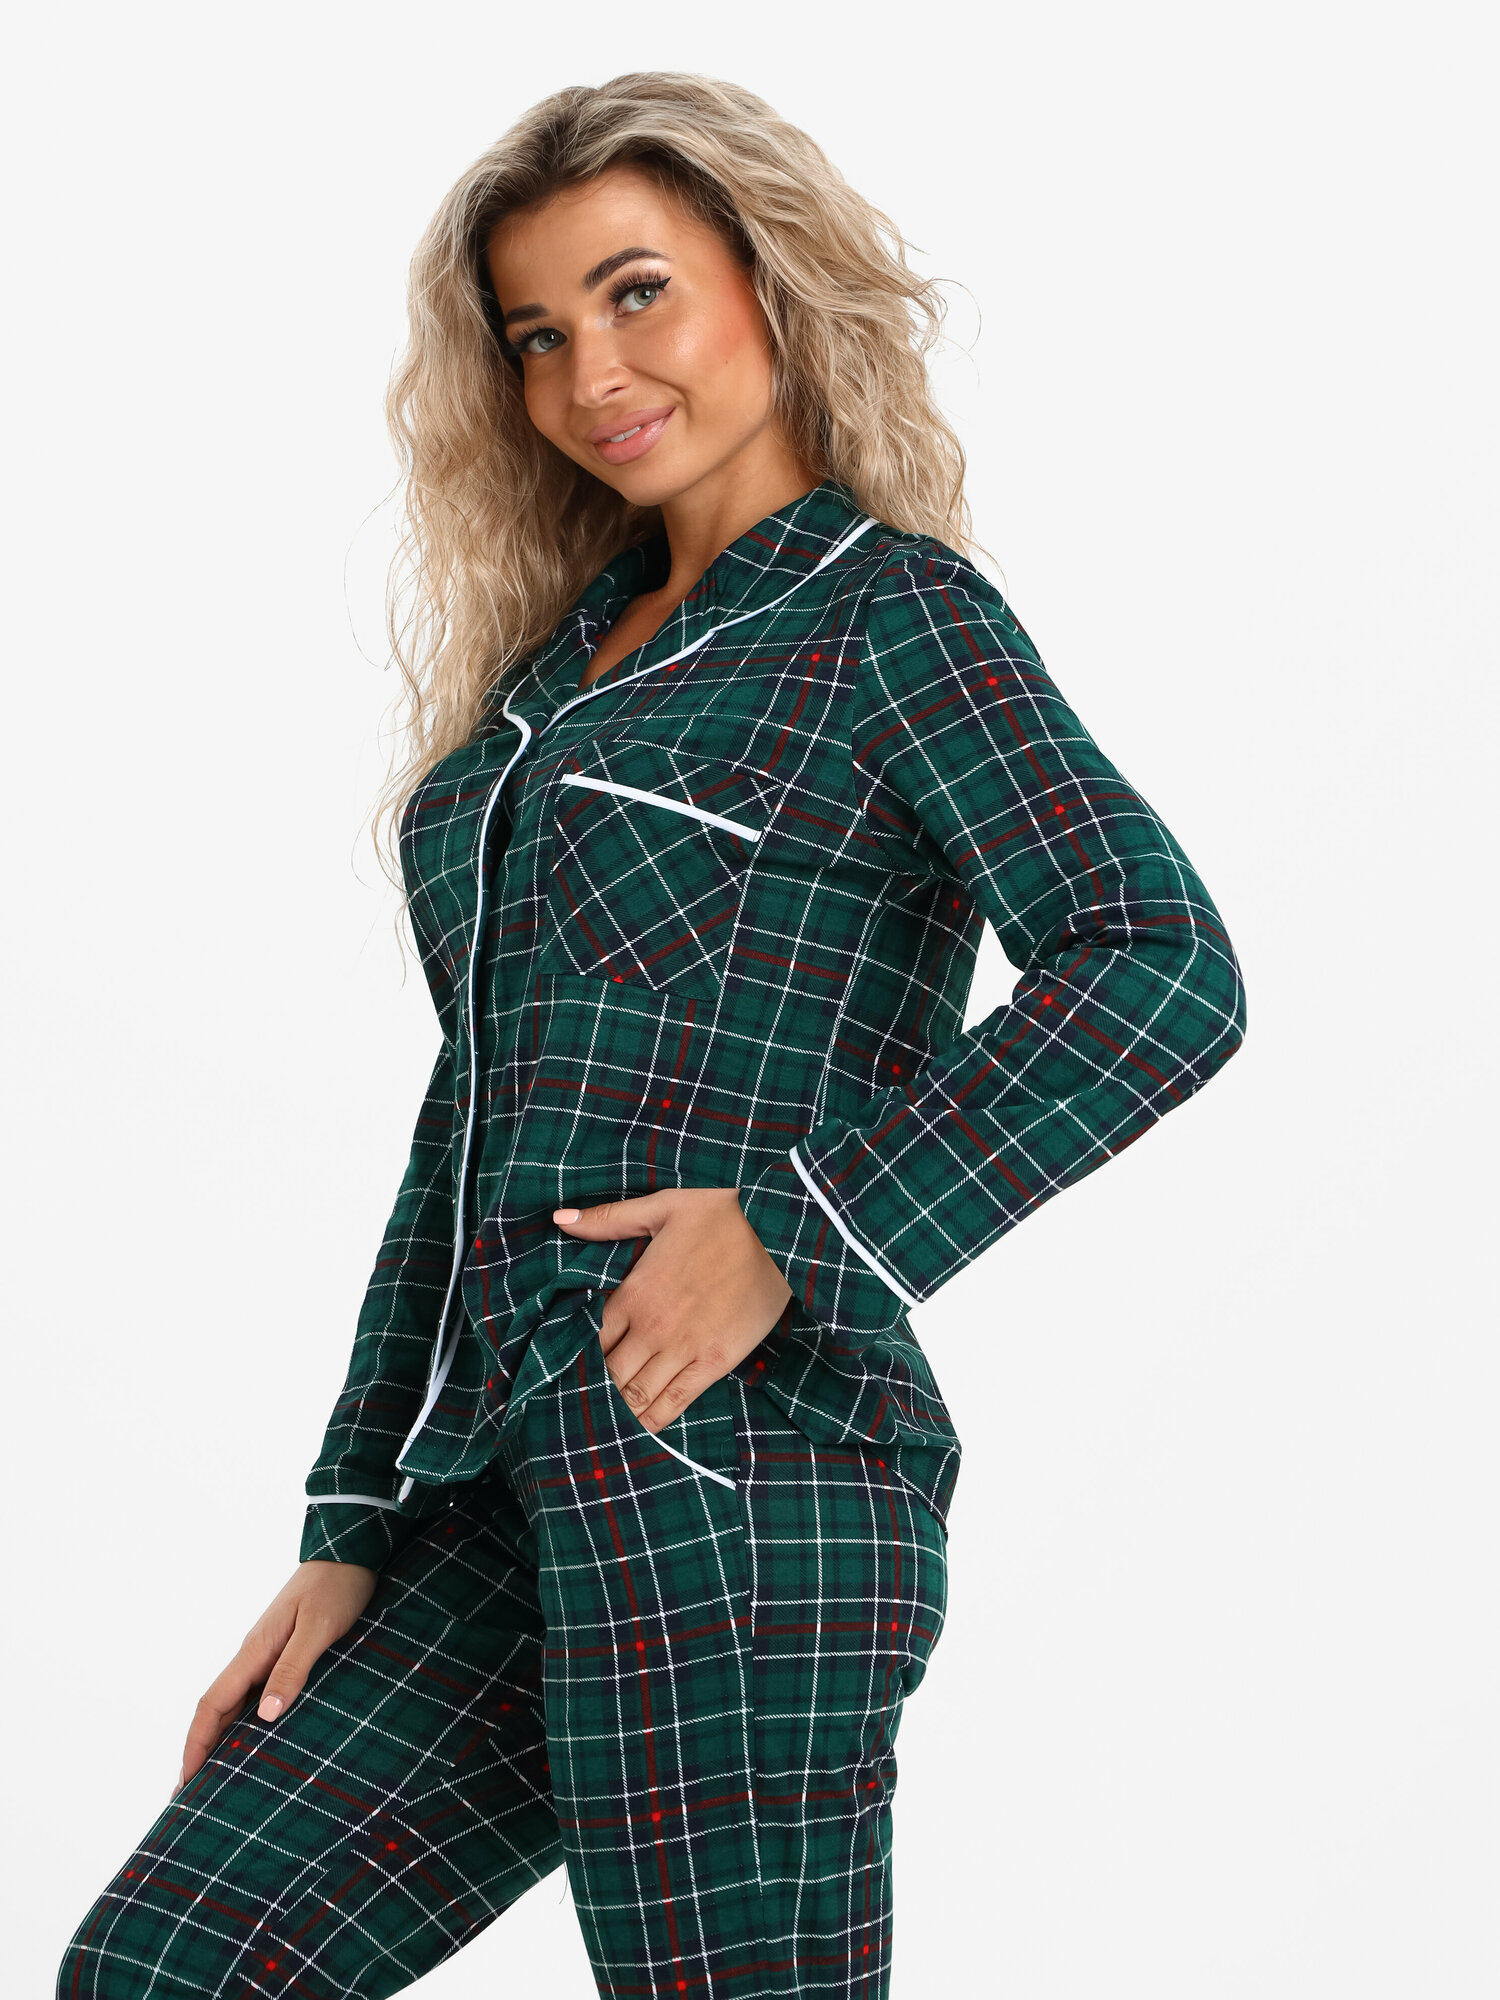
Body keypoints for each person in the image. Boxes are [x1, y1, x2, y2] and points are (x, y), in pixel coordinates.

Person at [58, 70, 1245, 2000]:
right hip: (496, 1472)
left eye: (636, 293)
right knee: (169, 1965)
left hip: (740, 1468)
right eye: (537, 333)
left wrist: (798, 1229)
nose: (589, 371)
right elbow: (473, 1119)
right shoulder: (554, 677)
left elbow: (1159, 968)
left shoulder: (891, 620)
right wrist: (352, 1517)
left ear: (768, 283)